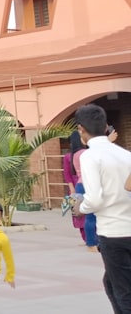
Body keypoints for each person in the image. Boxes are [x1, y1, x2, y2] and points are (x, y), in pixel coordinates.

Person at [75, 104, 131, 312]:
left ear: (81, 129)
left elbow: (95, 199)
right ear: (106, 126)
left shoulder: (89, 156)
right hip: (128, 226)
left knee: (123, 292)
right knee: (112, 284)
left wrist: (81, 207)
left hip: (113, 233)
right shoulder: (125, 154)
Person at [63, 132, 87, 243]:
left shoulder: (86, 154)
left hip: (85, 185)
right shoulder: (68, 157)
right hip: (76, 186)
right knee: (78, 213)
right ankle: (85, 237)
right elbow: (67, 174)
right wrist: (72, 189)